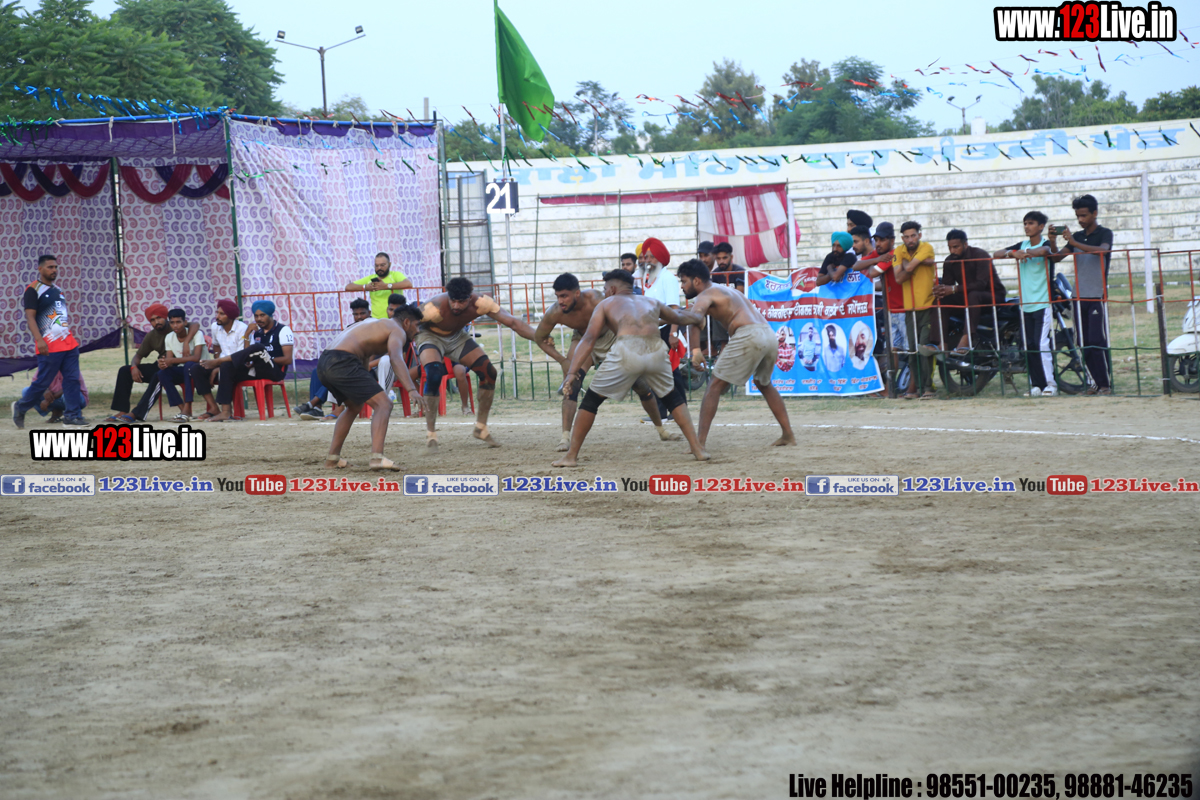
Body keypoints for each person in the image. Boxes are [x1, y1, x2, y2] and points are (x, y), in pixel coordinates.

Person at [552, 269, 707, 467]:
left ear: (612, 289)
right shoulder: (650, 301)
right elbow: (677, 316)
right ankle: (697, 449)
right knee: (672, 398)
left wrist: (572, 373)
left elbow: (588, 339)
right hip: (656, 349)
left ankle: (571, 456)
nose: (604, 292)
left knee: (590, 401)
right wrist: (697, 318)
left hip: (627, 349)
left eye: (605, 289)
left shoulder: (606, 303)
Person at [533, 272, 678, 451]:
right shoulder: (555, 312)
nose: (560, 301)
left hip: (610, 335)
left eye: (564, 296)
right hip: (583, 340)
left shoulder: (597, 298)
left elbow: (627, 313)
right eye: (558, 296)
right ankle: (565, 438)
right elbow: (539, 337)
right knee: (572, 385)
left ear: (577, 293)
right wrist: (562, 360)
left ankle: (661, 430)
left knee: (640, 385)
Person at [417, 277, 556, 449]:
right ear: (448, 296)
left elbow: (513, 322)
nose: (456, 306)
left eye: (461, 302)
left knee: (489, 372)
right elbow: (406, 324)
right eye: (453, 300)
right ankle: (431, 433)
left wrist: (539, 337)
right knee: (434, 373)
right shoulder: (433, 308)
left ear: (470, 298)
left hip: (456, 336)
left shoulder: (482, 303)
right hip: (429, 336)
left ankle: (481, 428)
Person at [676, 259, 795, 450]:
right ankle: (788, 434)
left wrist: (695, 350)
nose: (682, 287)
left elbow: (695, 318)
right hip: (767, 334)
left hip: (749, 335)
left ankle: (699, 443)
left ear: (696, 280)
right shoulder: (726, 290)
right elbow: (697, 318)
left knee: (714, 386)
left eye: (683, 281)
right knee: (763, 384)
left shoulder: (705, 294)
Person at [317, 303, 427, 471]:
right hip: (342, 362)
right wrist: (412, 390)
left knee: (354, 406)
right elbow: (395, 358)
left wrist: (365, 379)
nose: (418, 330)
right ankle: (377, 458)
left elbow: (363, 355)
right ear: (406, 322)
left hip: (324, 363)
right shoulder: (397, 329)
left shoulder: (374, 324)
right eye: (417, 325)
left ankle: (332, 459)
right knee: (384, 404)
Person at [1049, 193, 1113, 395]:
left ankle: (1105, 385)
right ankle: (1094, 384)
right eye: (1078, 216)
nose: (1080, 219)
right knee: (1082, 342)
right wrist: (1052, 241)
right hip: (1078, 296)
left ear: (1095, 213)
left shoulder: (1105, 233)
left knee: (1097, 341)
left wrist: (1075, 244)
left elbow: (1102, 251)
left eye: (1084, 215)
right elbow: (1056, 258)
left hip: (1097, 295)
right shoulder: (1076, 237)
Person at [13, 254, 87, 428]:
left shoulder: (58, 290)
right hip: (49, 345)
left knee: (72, 380)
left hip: (69, 344)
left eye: (55, 267)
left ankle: (72, 416)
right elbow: (30, 317)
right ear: (40, 269)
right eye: (50, 267)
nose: (54, 270)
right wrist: (39, 340)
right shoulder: (33, 289)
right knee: (42, 382)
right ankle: (21, 407)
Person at [196, 300, 294, 422]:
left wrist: (264, 357)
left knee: (258, 348)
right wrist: (247, 334)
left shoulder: (283, 330)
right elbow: (247, 355)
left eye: (262, 315)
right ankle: (225, 411)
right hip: (254, 370)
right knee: (226, 366)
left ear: (270, 315)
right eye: (256, 316)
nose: (258, 319)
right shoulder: (257, 332)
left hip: (274, 371)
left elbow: (287, 359)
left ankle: (218, 361)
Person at [994, 212, 1057, 397]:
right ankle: (1037, 385)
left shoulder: (1046, 243)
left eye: (1031, 223)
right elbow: (996, 254)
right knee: (1029, 346)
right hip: (1025, 304)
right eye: (1025, 223)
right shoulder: (1021, 245)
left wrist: (1025, 253)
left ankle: (1051, 385)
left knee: (1041, 344)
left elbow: (1044, 252)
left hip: (1043, 303)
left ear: (1041, 226)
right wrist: (1012, 253)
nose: (1027, 226)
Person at [104, 303, 199, 423]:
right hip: (161, 364)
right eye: (152, 320)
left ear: (165, 317)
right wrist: (134, 367)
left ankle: (137, 413)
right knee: (124, 370)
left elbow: (195, 324)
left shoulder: (175, 326)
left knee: (158, 374)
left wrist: (186, 342)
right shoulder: (152, 336)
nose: (156, 322)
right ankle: (122, 411)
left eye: (159, 318)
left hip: (178, 367)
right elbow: (138, 356)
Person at [295, 298, 372, 419]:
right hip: (351, 366)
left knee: (336, 372)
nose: (359, 317)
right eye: (356, 314)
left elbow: (373, 355)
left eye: (362, 313)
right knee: (318, 371)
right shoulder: (350, 329)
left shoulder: (374, 328)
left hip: (369, 367)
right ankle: (317, 408)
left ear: (369, 313)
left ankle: (313, 403)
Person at [937, 230, 1008, 355]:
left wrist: (954, 289)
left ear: (965, 244)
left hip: (993, 295)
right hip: (968, 297)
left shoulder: (980, 255)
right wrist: (940, 290)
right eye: (950, 247)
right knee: (942, 299)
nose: (952, 251)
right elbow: (948, 285)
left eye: (956, 247)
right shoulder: (949, 260)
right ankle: (941, 343)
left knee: (974, 295)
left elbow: (981, 284)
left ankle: (967, 339)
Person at [640, 237, 688, 420]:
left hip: (667, 329)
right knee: (656, 371)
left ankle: (678, 410)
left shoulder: (668, 278)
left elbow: (674, 308)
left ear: (660, 258)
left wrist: (674, 333)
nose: (648, 260)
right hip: (652, 330)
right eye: (646, 257)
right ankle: (662, 411)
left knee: (671, 371)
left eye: (651, 257)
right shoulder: (648, 279)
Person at [853, 223, 903, 390]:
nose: (879, 243)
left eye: (882, 240)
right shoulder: (880, 255)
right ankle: (890, 387)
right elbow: (856, 266)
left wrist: (876, 261)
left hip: (903, 307)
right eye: (877, 240)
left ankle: (909, 387)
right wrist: (876, 259)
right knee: (891, 348)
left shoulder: (894, 254)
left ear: (892, 240)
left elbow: (873, 273)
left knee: (905, 350)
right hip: (890, 307)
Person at [892, 221, 938, 399]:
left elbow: (907, 269)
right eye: (906, 237)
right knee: (912, 350)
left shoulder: (926, 247)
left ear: (919, 235)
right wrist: (918, 263)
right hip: (909, 308)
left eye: (913, 236)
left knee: (924, 348)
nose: (910, 240)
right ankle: (918, 388)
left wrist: (907, 264)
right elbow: (898, 278)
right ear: (902, 238)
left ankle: (929, 388)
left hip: (928, 305)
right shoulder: (898, 250)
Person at [191, 299, 250, 420]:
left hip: (240, 366)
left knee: (226, 367)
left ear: (231, 316)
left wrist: (218, 367)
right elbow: (216, 345)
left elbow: (240, 356)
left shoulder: (242, 328)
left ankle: (226, 411)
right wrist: (217, 362)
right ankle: (213, 408)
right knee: (196, 369)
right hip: (221, 364)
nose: (217, 316)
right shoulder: (215, 326)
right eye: (217, 313)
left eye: (222, 314)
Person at [157, 308, 206, 421]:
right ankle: (183, 408)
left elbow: (196, 358)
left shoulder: (197, 334)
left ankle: (188, 407)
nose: (175, 325)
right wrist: (163, 363)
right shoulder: (169, 337)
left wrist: (171, 360)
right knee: (162, 373)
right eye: (172, 322)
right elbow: (169, 360)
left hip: (201, 368)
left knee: (189, 365)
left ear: (185, 322)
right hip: (184, 369)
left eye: (178, 322)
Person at [343, 252, 413, 319]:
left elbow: (408, 284)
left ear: (389, 264)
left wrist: (386, 286)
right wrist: (365, 287)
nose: (379, 268)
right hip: (376, 320)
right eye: (376, 265)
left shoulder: (395, 275)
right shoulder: (371, 278)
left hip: (395, 318)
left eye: (382, 265)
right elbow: (348, 287)